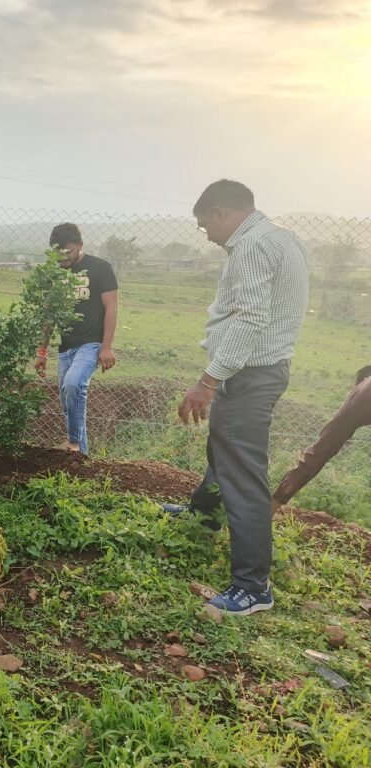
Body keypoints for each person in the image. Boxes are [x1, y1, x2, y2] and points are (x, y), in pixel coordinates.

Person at [164, 179, 308, 616]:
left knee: (244, 473)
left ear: (223, 212)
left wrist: (208, 381)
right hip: (262, 368)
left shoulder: (251, 247)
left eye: (204, 221)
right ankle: (203, 515)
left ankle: (253, 587)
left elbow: (248, 318)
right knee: (223, 445)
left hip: (251, 374)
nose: (204, 231)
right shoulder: (283, 239)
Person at [34, 223, 118, 455]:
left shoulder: (100, 268)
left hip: (91, 343)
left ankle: (73, 443)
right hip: (65, 348)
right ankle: (82, 459)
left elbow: (111, 307)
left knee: (73, 385)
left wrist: (107, 347)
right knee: (68, 401)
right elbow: (49, 314)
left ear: (80, 245)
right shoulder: (54, 273)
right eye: (58, 254)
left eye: (68, 252)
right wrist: (42, 351)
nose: (64, 258)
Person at [272, 365, 371, 512]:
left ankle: (269, 510)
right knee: (321, 451)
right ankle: (270, 508)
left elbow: (318, 454)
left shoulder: (360, 398)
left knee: (319, 452)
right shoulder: (362, 398)